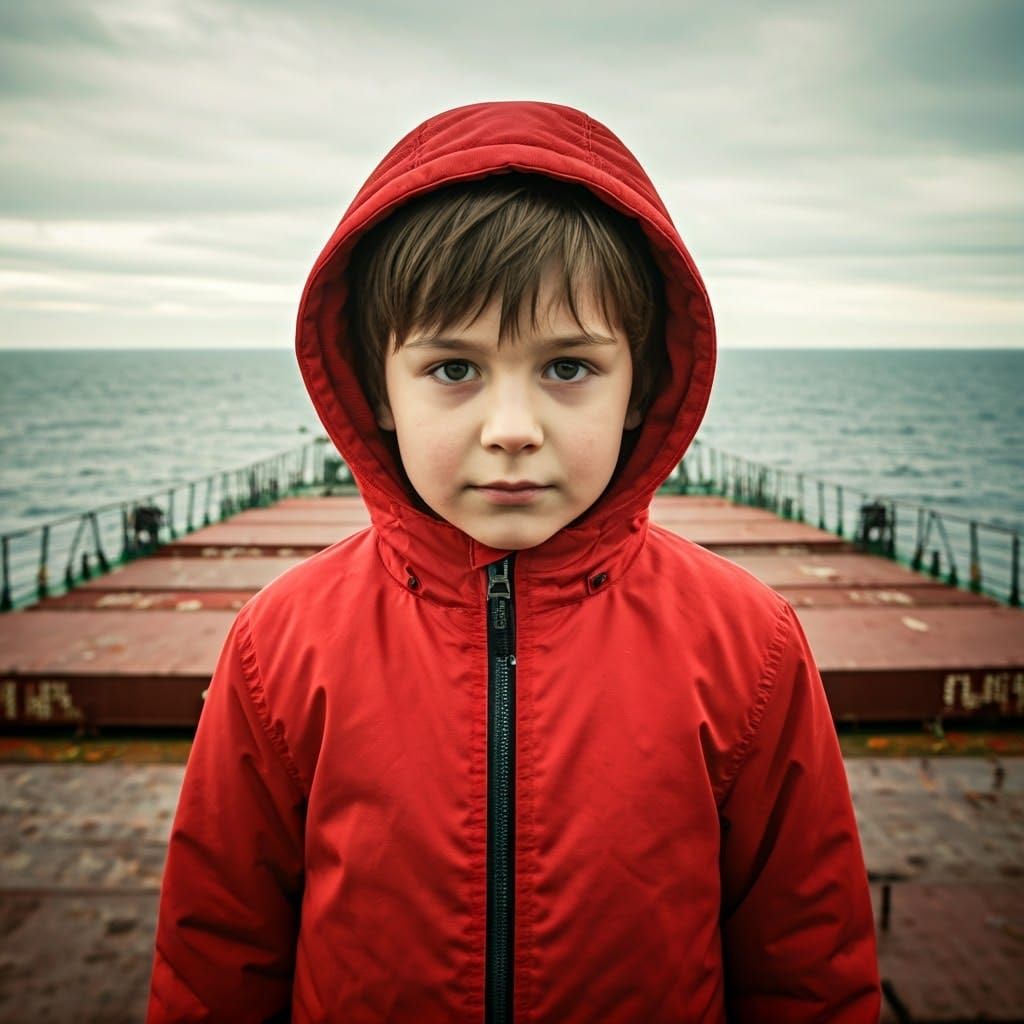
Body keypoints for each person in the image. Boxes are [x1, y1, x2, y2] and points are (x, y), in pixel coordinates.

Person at [146, 100, 880, 1023]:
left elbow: (808, 961)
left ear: (640, 385)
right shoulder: (280, 642)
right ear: (377, 387)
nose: (511, 431)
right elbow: (217, 953)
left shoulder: (749, 643)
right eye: (453, 370)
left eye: (567, 367)